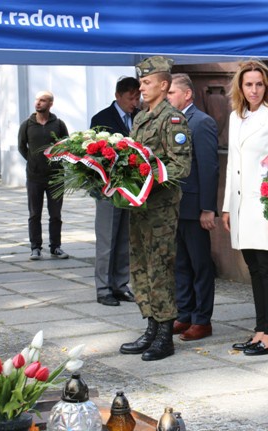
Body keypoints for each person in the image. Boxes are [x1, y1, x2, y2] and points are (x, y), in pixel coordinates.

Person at [118, 56, 192, 361]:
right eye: (140, 83)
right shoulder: (140, 118)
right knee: (140, 267)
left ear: (164, 85)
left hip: (160, 208)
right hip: (140, 207)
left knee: (160, 269)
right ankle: (150, 326)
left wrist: (148, 176)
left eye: (147, 83)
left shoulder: (173, 120)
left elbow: (181, 166)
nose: (141, 88)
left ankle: (165, 334)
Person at [222, 60, 268, 356]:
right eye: (248, 84)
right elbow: (231, 165)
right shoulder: (237, 117)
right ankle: (261, 328)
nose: (254, 89)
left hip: (265, 204)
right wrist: (226, 207)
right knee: (254, 268)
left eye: (259, 84)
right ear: (240, 86)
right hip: (240, 206)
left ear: (267, 86)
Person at [167, 73, 220, 342]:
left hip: (195, 206)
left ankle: (202, 320)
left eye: (171, 92)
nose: (167, 97)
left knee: (200, 265)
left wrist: (208, 208)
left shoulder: (201, 122)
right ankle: (184, 313)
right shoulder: (172, 121)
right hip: (175, 205)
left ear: (187, 94)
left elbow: (209, 167)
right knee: (181, 264)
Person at [89, 76, 141, 306]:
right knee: (107, 239)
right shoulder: (101, 119)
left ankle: (120, 285)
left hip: (129, 188)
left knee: (124, 240)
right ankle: (103, 288)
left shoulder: (139, 118)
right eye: (131, 98)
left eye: (137, 97)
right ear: (118, 96)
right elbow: (94, 154)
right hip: (108, 189)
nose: (135, 102)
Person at [18, 91, 69, 261]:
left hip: (55, 176)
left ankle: (56, 247)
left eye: (42, 100)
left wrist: (56, 161)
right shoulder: (27, 125)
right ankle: (35, 247)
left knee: (55, 214)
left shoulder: (59, 124)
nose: (38, 103)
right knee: (34, 214)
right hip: (34, 177)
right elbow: (21, 147)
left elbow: (66, 145)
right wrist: (32, 161)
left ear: (50, 104)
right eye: (37, 100)